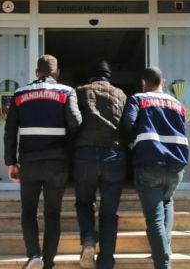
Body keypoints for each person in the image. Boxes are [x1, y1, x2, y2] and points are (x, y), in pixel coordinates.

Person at [4, 55, 82, 269]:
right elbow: (75, 123)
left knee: (28, 212)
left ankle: (34, 255)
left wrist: (11, 162)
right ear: (56, 73)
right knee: (52, 214)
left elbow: (10, 131)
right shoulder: (67, 92)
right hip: (56, 163)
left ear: (36, 72)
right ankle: (48, 264)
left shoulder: (20, 94)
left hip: (29, 162)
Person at [121, 67, 188, 269]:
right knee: (167, 202)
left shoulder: (138, 99)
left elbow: (128, 123)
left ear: (144, 83)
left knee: (155, 219)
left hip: (149, 163)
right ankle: (164, 249)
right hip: (176, 166)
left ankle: (163, 263)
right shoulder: (178, 104)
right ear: (163, 82)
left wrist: (132, 143)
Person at [73, 60, 128, 269]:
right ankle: (106, 261)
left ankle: (88, 238)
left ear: (91, 77)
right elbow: (128, 125)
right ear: (109, 77)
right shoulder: (121, 95)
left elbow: (72, 121)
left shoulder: (79, 92)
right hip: (113, 156)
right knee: (109, 213)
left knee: (84, 203)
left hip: (85, 155)